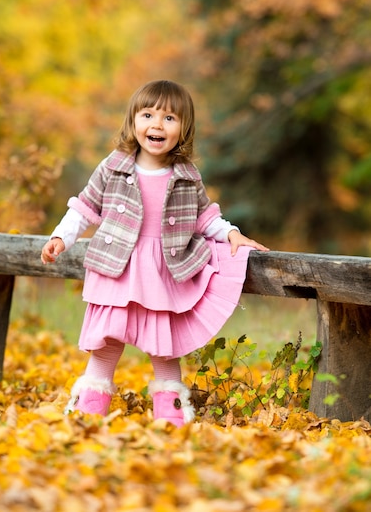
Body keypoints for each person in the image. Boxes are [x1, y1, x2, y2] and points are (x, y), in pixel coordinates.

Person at [41, 79, 269, 427]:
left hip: (162, 270)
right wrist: (62, 236)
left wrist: (232, 234)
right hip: (117, 265)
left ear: (183, 129)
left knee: (163, 345)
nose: (157, 125)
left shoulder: (186, 176)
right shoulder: (114, 166)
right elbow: (85, 206)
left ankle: (171, 414)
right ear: (133, 122)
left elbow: (206, 217)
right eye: (147, 115)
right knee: (106, 342)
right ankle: (89, 410)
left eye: (169, 118)